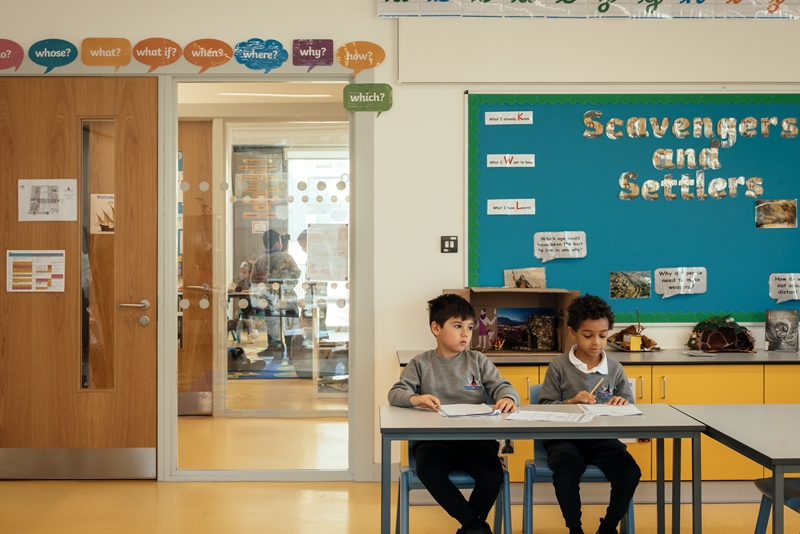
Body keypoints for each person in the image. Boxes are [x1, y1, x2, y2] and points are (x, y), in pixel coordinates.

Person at [388, 293, 520, 534]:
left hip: (476, 441)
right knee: (428, 470)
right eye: (457, 326)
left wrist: (508, 397)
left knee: (493, 474)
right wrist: (415, 398)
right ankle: (475, 527)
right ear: (436, 328)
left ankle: (470, 528)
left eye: (470, 327)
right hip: (434, 441)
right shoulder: (420, 363)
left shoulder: (478, 360)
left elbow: (503, 386)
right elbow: (396, 393)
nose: (465, 334)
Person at [538, 294, 641, 534]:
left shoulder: (614, 369)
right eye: (588, 335)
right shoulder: (559, 365)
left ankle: (608, 527)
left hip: (602, 437)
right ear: (572, 332)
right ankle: (575, 529)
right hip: (564, 438)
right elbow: (543, 407)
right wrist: (570, 402)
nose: (596, 342)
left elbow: (632, 408)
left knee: (630, 471)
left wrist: (621, 403)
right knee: (564, 469)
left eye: (603, 335)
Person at [250, 229, 301, 361]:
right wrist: (287, 287)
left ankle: (275, 349)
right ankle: (292, 351)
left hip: (269, 299)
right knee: (291, 324)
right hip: (287, 297)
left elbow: (253, 281)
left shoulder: (259, 261)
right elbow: (296, 275)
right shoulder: (286, 257)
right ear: (277, 243)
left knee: (272, 324)